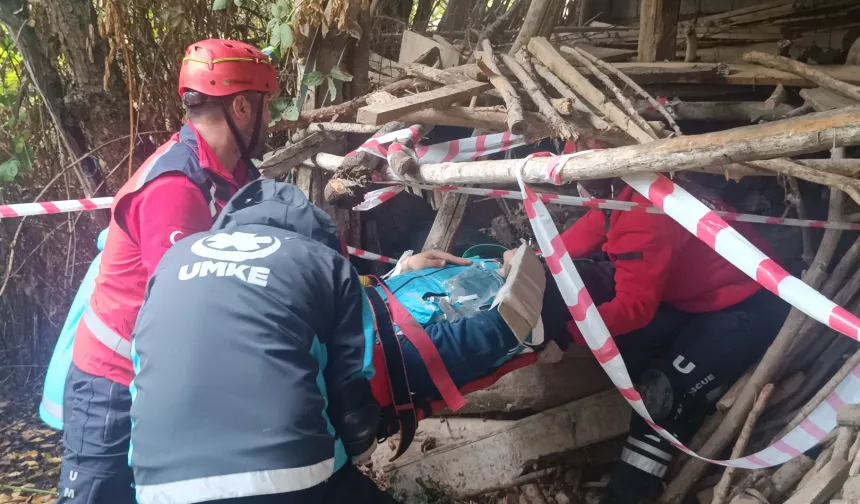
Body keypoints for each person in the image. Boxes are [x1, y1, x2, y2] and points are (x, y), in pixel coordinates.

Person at [128, 179, 558, 503]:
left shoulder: (173, 261)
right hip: (285, 469)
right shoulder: (317, 260)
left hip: (156, 484)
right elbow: (353, 406)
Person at [56, 39, 279, 504]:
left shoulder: (237, 175)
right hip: (112, 385)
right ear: (241, 106)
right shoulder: (175, 186)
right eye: (267, 106)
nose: (271, 119)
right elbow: (186, 310)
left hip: (158, 371)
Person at [544, 176, 790, 504]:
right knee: (631, 345)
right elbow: (596, 222)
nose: (576, 189)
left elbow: (634, 308)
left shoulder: (643, 216)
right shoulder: (634, 188)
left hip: (747, 305)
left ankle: (627, 494)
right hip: (701, 294)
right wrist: (538, 260)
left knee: (661, 396)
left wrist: (567, 335)